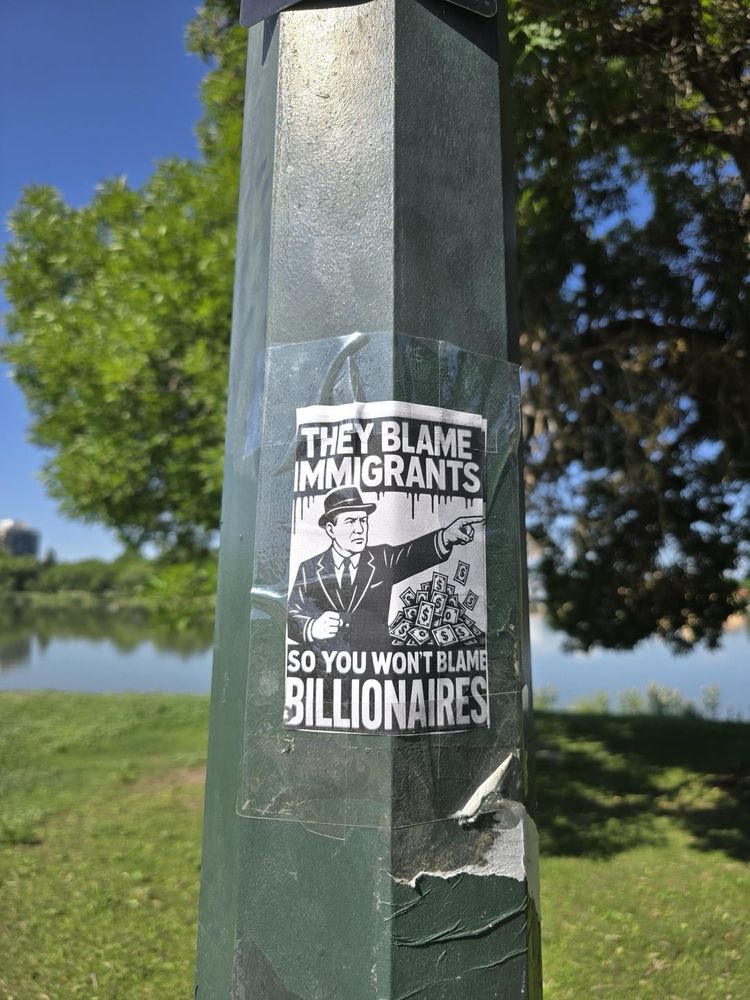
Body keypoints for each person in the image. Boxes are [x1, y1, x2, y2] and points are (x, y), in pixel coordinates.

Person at [287, 486, 481, 652]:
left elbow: (413, 554)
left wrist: (446, 537)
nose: (360, 529)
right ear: (331, 529)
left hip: (377, 666)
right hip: (328, 671)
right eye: (350, 522)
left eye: (363, 521)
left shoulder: (382, 559)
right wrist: (312, 628)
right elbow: (291, 614)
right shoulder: (310, 568)